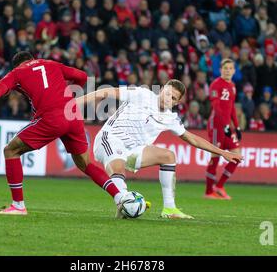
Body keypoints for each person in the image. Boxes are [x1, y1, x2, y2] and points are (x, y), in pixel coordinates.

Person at [0, 51, 128, 216]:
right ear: (32, 59)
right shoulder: (50, 64)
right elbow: (82, 76)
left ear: (17, 64)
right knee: (86, 164)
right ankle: (121, 197)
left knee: (10, 150)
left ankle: (18, 205)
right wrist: (70, 94)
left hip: (51, 118)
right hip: (72, 114)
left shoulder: (17, 73)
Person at [76, 79, 243, 219]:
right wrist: (76, 102)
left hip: (134, 149)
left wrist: (222, 152)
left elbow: (192, 138)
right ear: (162, 89)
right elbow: (106, 92)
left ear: (177, 102)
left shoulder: (170, 118)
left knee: (169, 156)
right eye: (167, 92)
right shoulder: (142, 94)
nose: (168, 98)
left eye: (173, 97)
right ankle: (124, 203)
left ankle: (169, 209)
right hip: (111, 138)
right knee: (119, 169)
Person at [205, 58, 243, 200]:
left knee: (237, 156)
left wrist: (237, 126)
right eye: (225, 68)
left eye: (230, 68)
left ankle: (219, 186)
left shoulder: (232, 85)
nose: (227, 70)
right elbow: (216, 107)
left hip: (227, 126)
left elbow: (232, 107)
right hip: (216, 125)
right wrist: (225, 125)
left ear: (234, 71)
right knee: (215, 155)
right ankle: (209, 192)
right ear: (220, 70)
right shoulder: (216, 84)